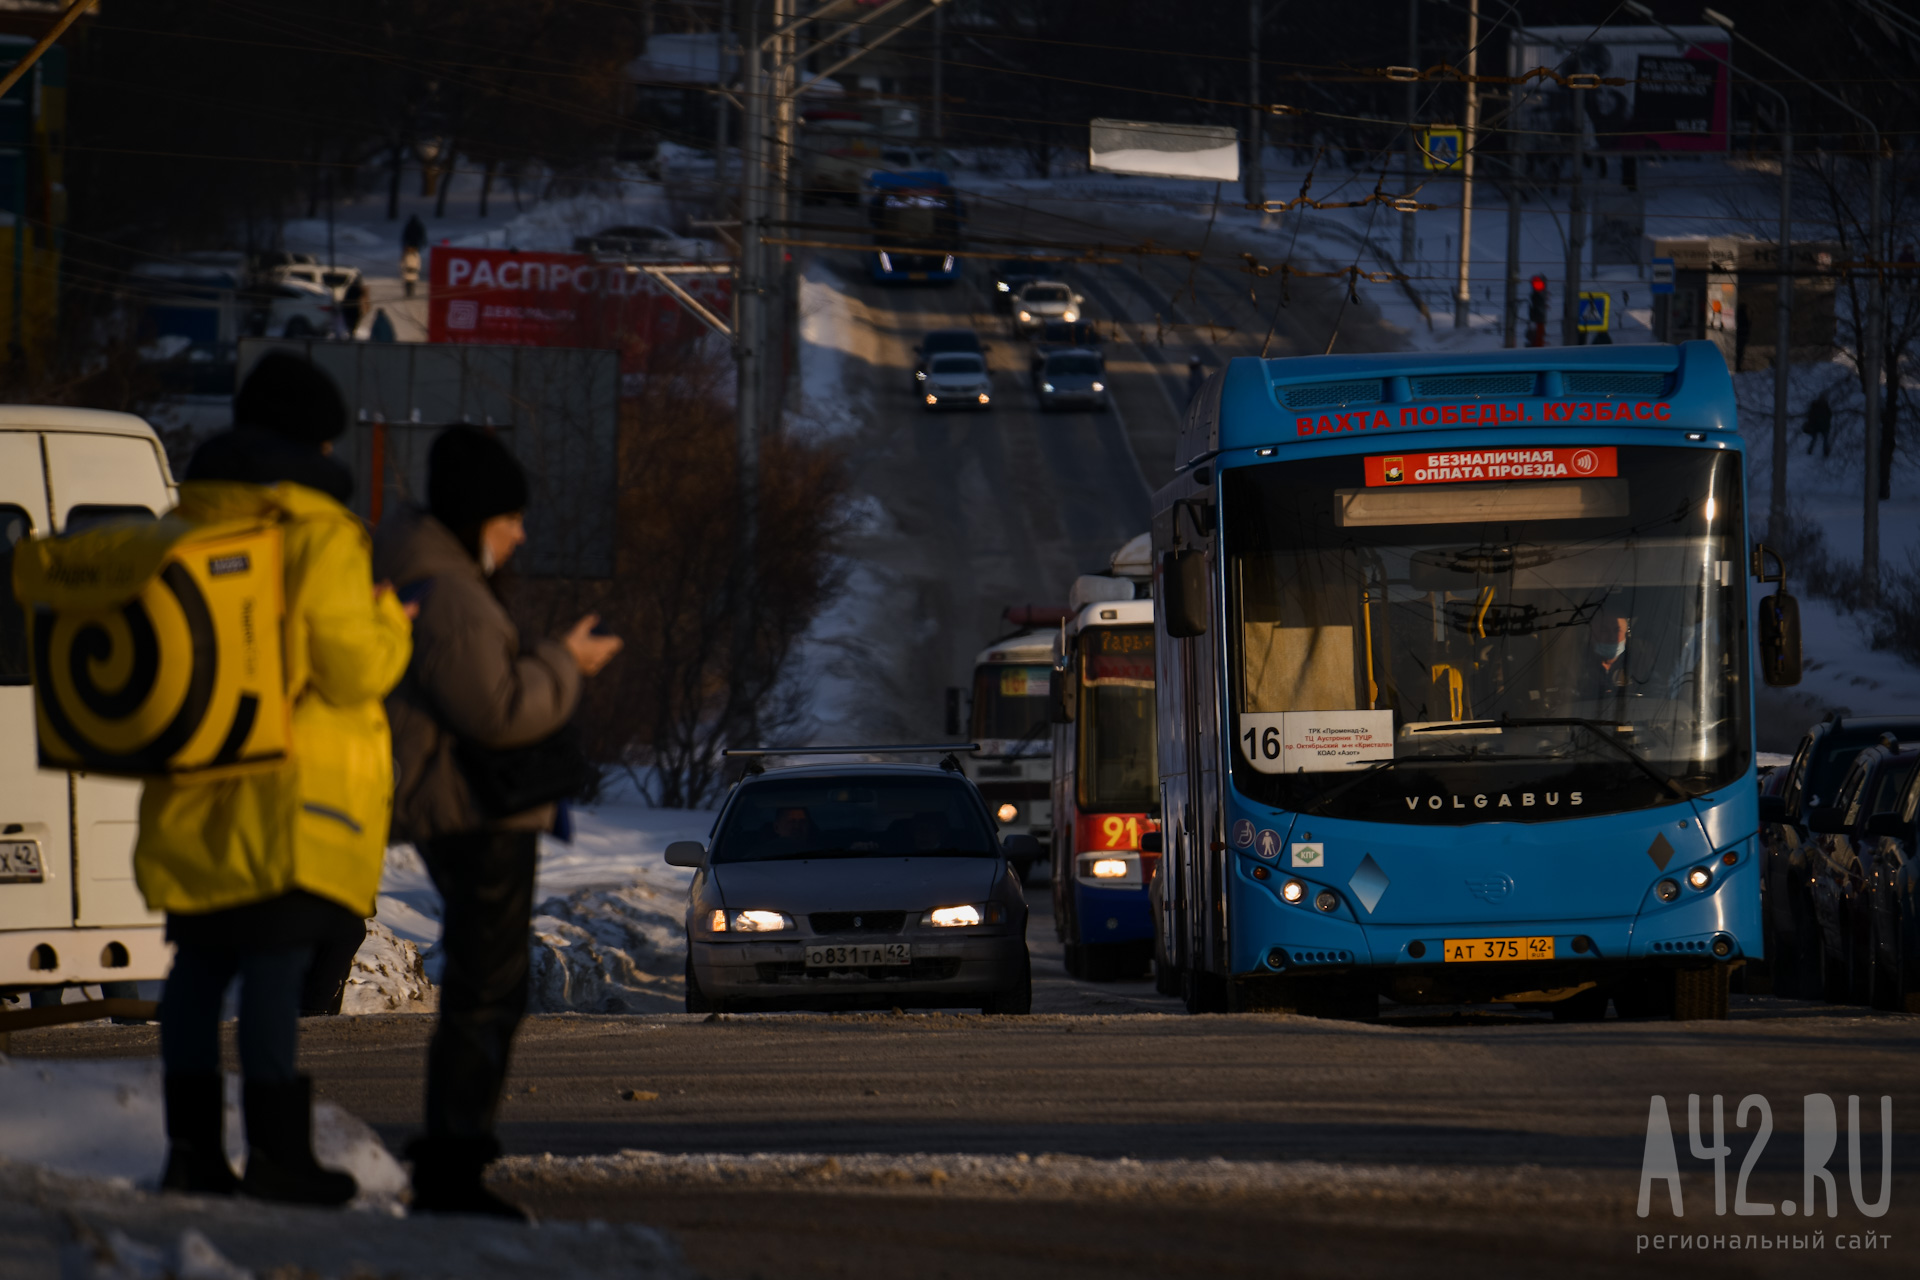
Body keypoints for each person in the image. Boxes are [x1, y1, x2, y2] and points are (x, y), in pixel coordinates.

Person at [147, 352, 414, 1205]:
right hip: (288, 796)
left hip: (195, 781)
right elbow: (351, 669)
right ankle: (274, 1154)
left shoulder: (184, 520)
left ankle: (190, 1152)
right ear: (317, 438)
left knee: (196, 966)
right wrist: (389, 619)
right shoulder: (319, 533)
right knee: (271, 966)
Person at [375, 426, 623, 1218]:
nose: (520, 534)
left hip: (465, 805)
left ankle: (454, 1160)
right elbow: (498, 709)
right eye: (508, 518)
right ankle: (452, 1169)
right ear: (476, 513)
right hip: (471, 811)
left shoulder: (431, 573)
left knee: (489, 989)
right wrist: (564, 665)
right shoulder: (447, 593)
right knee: (486, 993)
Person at [401, 215, 426, 299]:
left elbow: (404, 236)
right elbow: (422, 235)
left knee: (408, 278)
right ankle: (410, 291)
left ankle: (409, 292)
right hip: (415, 245)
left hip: (411, 245)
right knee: (411, 277)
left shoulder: (409, 226)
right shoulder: (418, 226)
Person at [1803, 391, 1833, 457]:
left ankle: (1824, 452)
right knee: (1817, 439)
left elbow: (1829, 415)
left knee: (1821, 439)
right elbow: (1811, 415)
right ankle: (1811, 451)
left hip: (1821, 426)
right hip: (1817, 426)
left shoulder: (1824, 406)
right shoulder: (1818, 405)